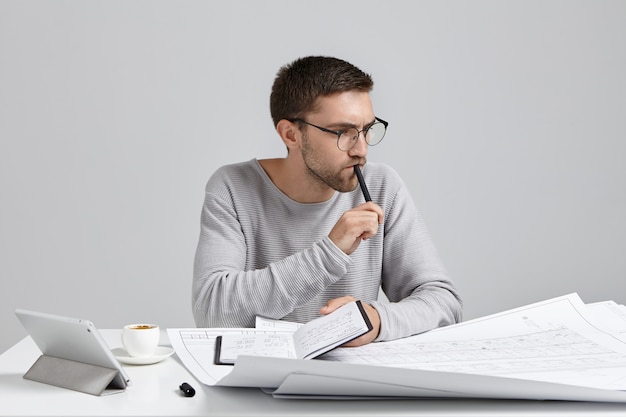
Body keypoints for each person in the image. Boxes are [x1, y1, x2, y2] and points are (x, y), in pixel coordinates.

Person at [192, 56, 462, 346]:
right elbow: (212, 312)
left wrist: (376, 320)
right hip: (257, 381)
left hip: (351, 381)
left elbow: (444, 302)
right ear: (291, 134)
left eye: (367, 129)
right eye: (343, 133)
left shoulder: (382, 186)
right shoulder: (233, 187)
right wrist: (330, 251)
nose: (361, 149)